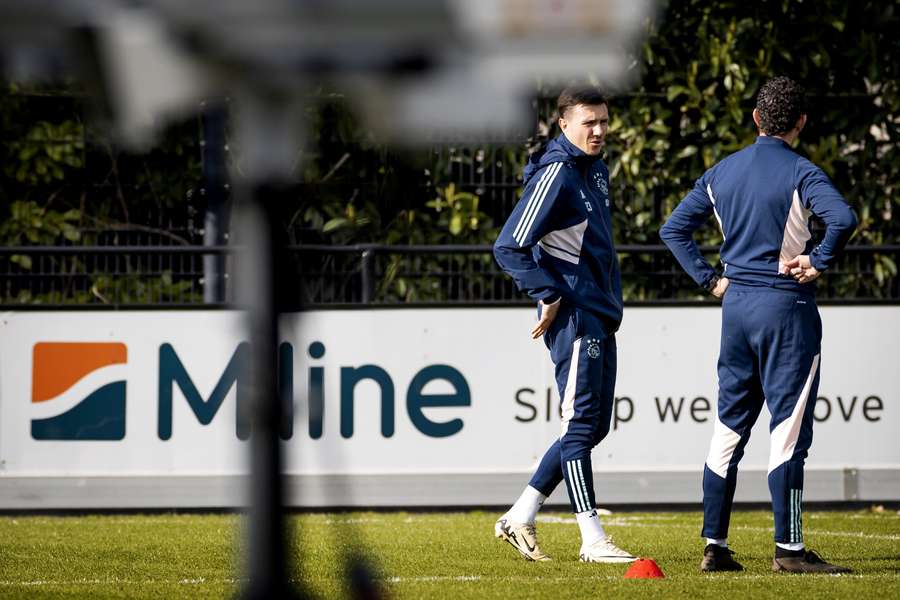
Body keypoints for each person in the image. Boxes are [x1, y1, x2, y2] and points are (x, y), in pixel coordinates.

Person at [660, 76, 857, 574]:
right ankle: (789, 551)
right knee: (787, 432)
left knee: (729, 427)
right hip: (785, 308)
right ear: (801, 123)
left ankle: (714, 546)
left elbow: (674, 229)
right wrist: (818, 259)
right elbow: (843, 217)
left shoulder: (722, 171)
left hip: (736, 309)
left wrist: (710, 281)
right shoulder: (801, 171)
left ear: (755, 119)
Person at [492, 85, 637, 563]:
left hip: (597, 312)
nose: (598, 130)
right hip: (574, 316)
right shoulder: (556, 173)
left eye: (603, 121)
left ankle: (519, 516)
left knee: (591, 428)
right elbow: (508, 245)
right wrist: (548, 293)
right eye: (587, 122)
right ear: (563, 124)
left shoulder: (594, 170)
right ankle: (592, 539)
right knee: (578, 427)